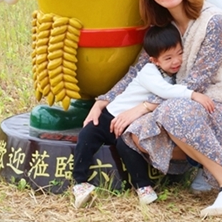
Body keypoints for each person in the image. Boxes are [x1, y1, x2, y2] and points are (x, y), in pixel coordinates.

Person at [85, 0, 222, 217]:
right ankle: (204, 165)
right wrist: (103, 100)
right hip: (185, 109)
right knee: (133, 135)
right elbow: (139, 71)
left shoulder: (214, 22)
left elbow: (193, 85)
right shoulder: (164, 28)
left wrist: (143, 107)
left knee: (171, 111)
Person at [71, 24, 214, 208]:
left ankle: (143, 187)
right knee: (86, 136)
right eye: (168, 57)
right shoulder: (149, 71)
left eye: (180, 53)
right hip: (110, 116)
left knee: (128, 146)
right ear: (155, 60)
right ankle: (80, 183)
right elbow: (165, 91)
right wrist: (193, 94)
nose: (176, 61)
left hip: (130, 124)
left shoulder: (172, 76)